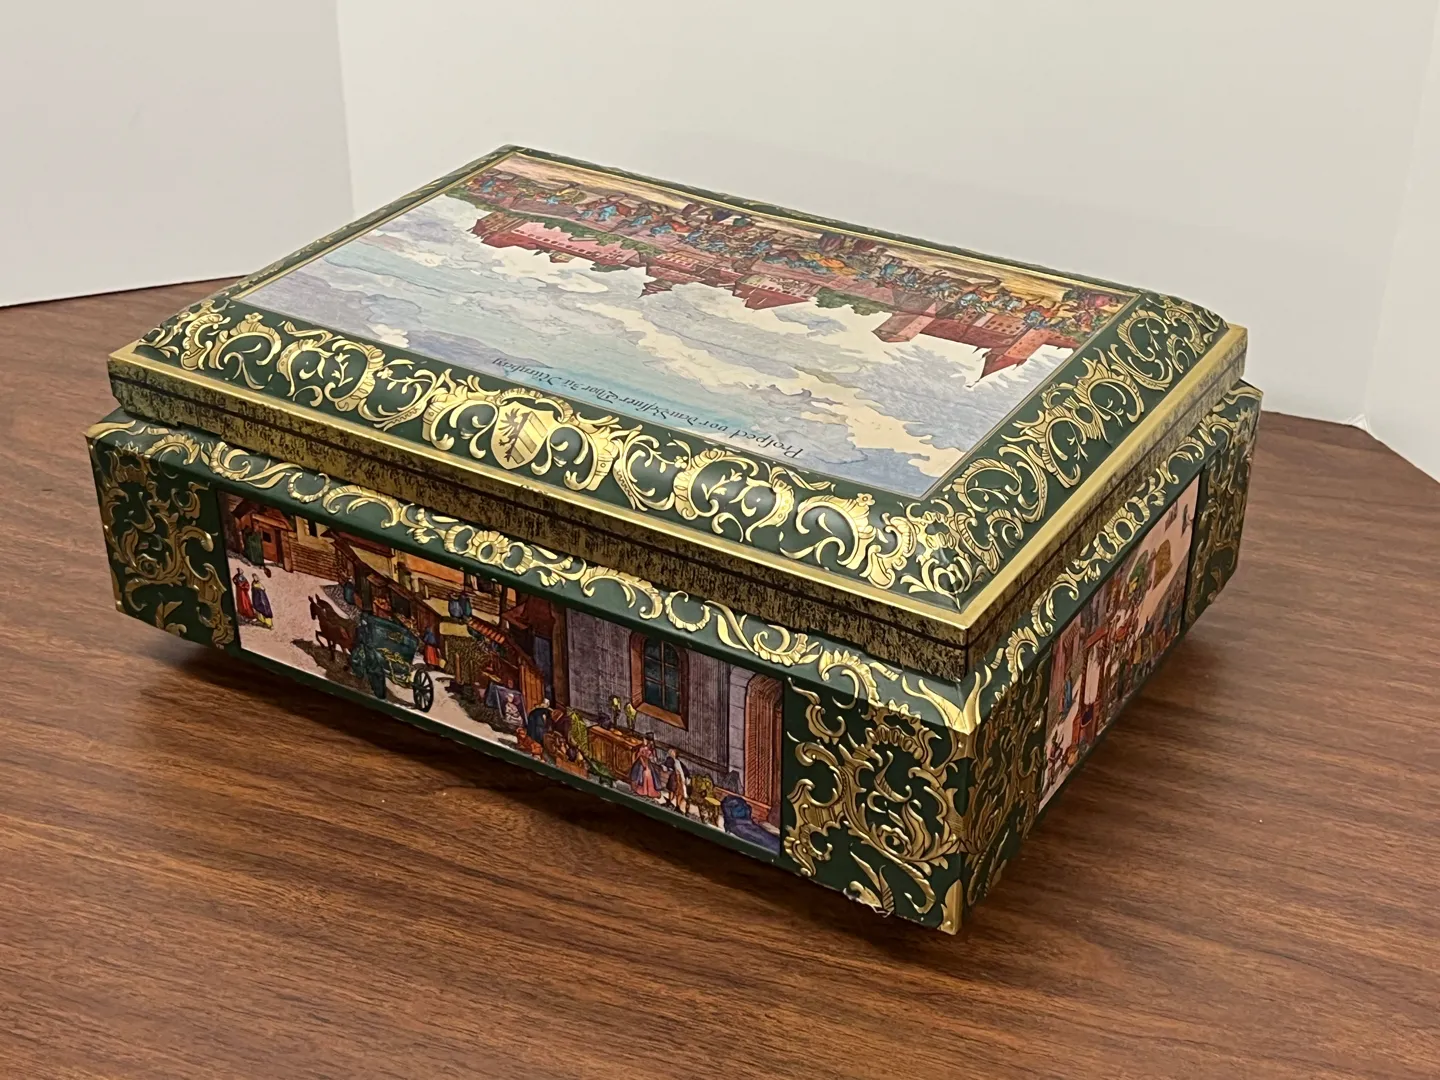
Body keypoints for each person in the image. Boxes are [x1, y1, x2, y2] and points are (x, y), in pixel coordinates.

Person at [628, 733, 662, 799]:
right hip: (640, 763)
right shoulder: (642, 748)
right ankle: (640, 788)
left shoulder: (652, 749)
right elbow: (639, 756)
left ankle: (649, 790)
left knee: (651, 773)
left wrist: (652, 759)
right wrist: (643, 764)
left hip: (648, 763)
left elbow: (654, 759)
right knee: (639, 772)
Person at [663, 748, 689, 816]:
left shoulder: (678, 761)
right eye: (672, 752)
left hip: (679, 778)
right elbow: (666, 767)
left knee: (679, 792)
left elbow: (684, 770)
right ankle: (670, 802)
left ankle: (677, 806)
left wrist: (685, 777)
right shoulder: (670, 760)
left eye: (674, 752)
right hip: (674, 778)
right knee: (673, 790)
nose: (673, 753)